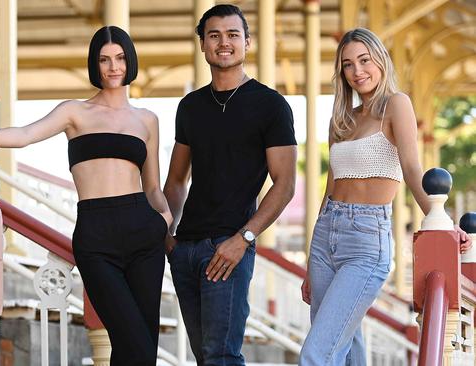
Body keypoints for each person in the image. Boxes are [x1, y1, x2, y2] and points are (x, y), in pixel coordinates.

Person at [0, 26, 171, 366]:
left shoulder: (147, 120)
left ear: (130, 61)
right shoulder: (75, 112)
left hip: (143, 231)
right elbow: (27, 134)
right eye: (104, 59)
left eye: (119, 58)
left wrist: (165, 222)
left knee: (139, 345)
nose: (113, 67)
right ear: (94, 64)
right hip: (96, 235)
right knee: (134, 342)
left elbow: (154, 187)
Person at [299, 27, 472, 365]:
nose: (358, 71)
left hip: (366, 240)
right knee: (346, 348)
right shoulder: (341, 120)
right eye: (348, 65)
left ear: (380, 60)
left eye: (365, 60)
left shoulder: (397, 104)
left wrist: (444, 223)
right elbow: (330, 188)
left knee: (317, 353)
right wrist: (311, 258)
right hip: (326, 237)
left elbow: (411, 167)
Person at [163, 4, 297, 365]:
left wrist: (244, 239)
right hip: (186, 251)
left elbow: (284, 185)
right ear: (204, 45)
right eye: (214, 35)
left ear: (247, 43)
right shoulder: (190, 107)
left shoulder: (271, 106)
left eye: (233, 34)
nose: (224, 43)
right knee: (206, 358)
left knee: (221, 356)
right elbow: (176, 180)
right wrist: (167, 237)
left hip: (229, 248)